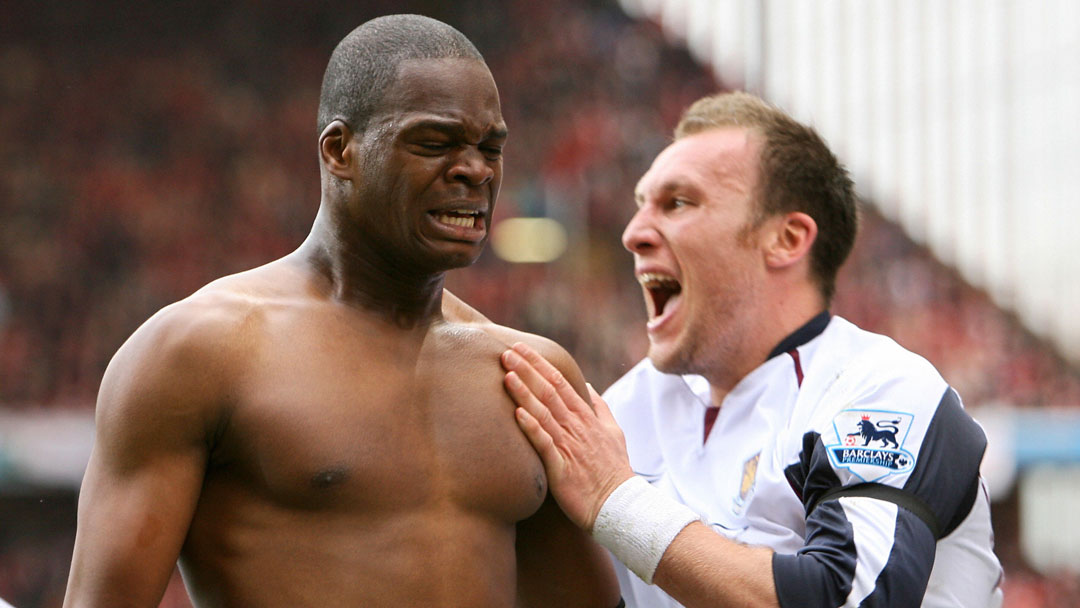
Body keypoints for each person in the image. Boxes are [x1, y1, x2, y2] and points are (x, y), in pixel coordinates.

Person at [63, 14, 621, 608]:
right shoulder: (199, 352)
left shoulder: (531, 374)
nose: (475, 170)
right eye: (435, 143)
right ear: (339, 151)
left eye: (491, 148)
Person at [500, 91, 1003, 607]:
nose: (633, 234)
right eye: (640, 205)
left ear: (786, 239)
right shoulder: (625, 409)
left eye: (678, 203)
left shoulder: (880, 388)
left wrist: (617, 501)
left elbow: (852, 596)